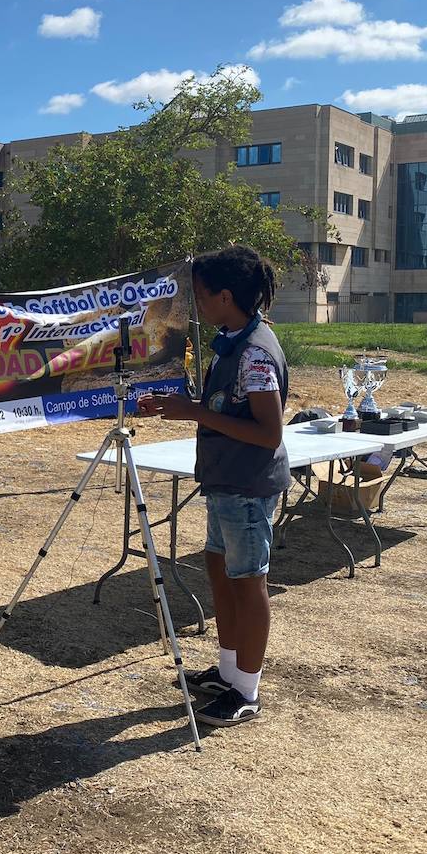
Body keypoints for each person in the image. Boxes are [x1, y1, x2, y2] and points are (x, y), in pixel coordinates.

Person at [137, 245, 288, 727]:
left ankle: (247, 688)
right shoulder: (233, 339)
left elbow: (268, 433)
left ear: (226, 296)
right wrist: (181, 404)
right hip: (226, 481)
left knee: (248, 583)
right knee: (220, 569)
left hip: (247, 484)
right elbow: (229, 407)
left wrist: (197, 412)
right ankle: (228, 671)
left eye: (201, 296)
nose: (197, 306)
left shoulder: (256, 352)